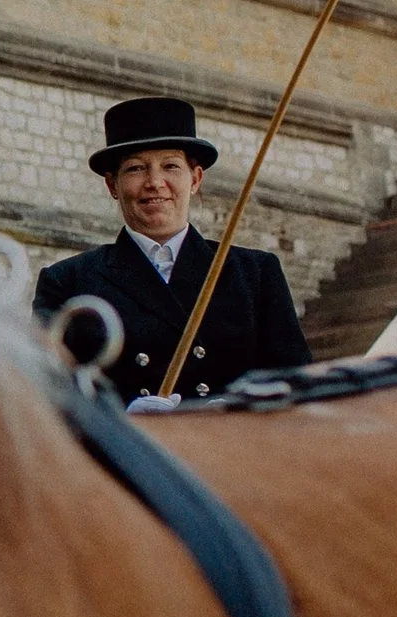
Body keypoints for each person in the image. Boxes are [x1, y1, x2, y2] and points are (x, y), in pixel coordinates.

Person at [31, 96, 309, 408]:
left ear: (196, 179)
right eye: (136, 168)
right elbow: (46, 398)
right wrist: (124, 414)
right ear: (112, 185)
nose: (154, 182)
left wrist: (237, 410)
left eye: (171, 166)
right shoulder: (68, 283)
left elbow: (295, 388)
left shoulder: (255, 274)